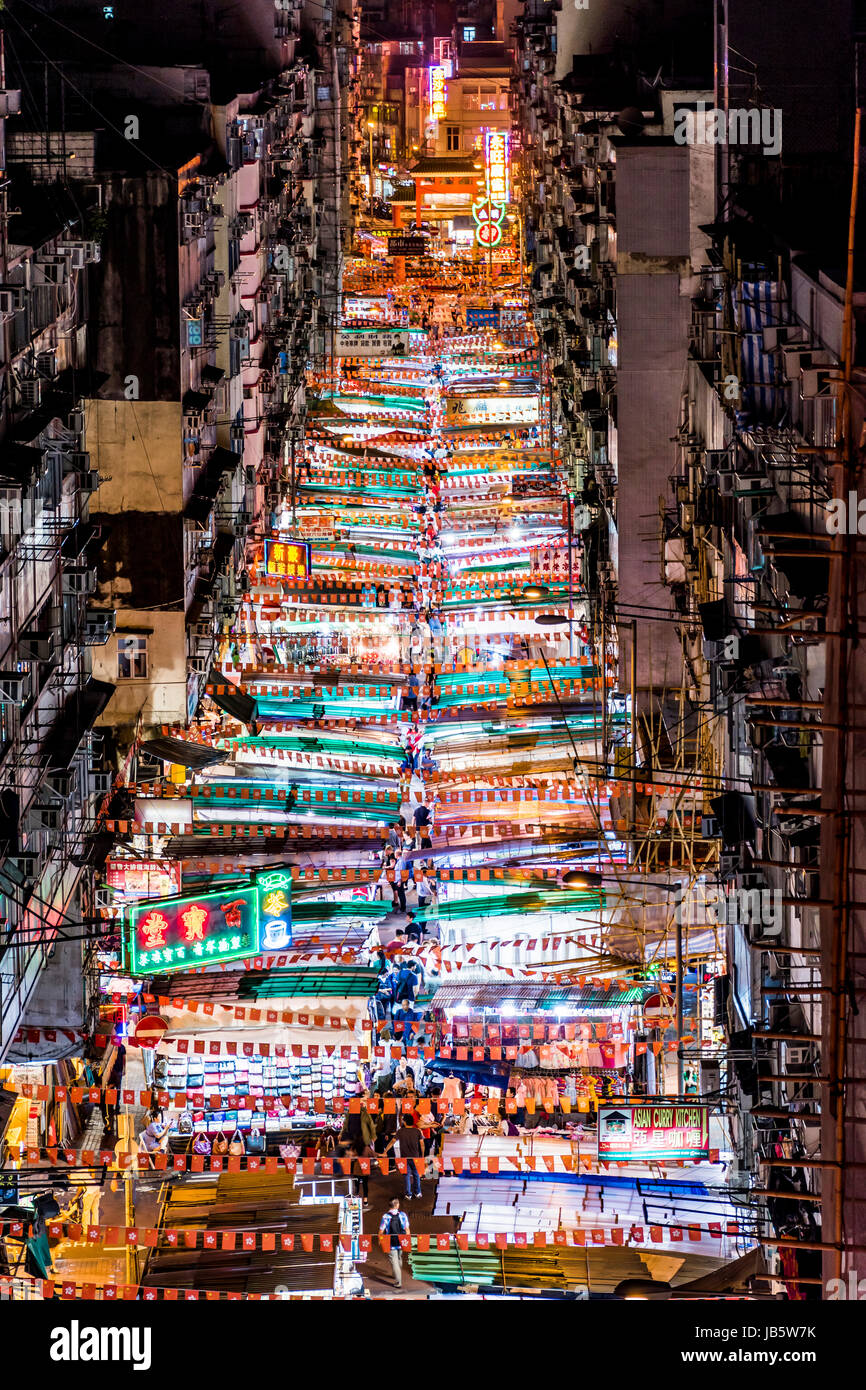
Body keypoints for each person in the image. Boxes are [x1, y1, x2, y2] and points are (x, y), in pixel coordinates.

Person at [385, 1114, 424, 1200]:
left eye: (403, 1120)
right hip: (416, 1158)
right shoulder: (417, 1131)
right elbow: (422, 1145)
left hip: (404, 1158)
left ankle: (408, 1194)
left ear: (405, 1122)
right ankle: (417, 1193)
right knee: (416, 1175)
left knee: (406, 1175)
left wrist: (385, 1151)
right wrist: (422, 1155)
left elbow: (392, 1142)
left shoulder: (400, 1131)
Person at [379, 1198, 410, 1288]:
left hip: (390, 1242)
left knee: (394, 1261)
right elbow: (407, 1229)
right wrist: (407, 1240)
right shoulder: (403, 1215)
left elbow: (381, 1230)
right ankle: (396, 1273)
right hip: (402, 1241)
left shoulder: (385, 1216)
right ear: (397, 1205)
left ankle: (398, 1282)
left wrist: (380, 1240)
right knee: (399, 1257)